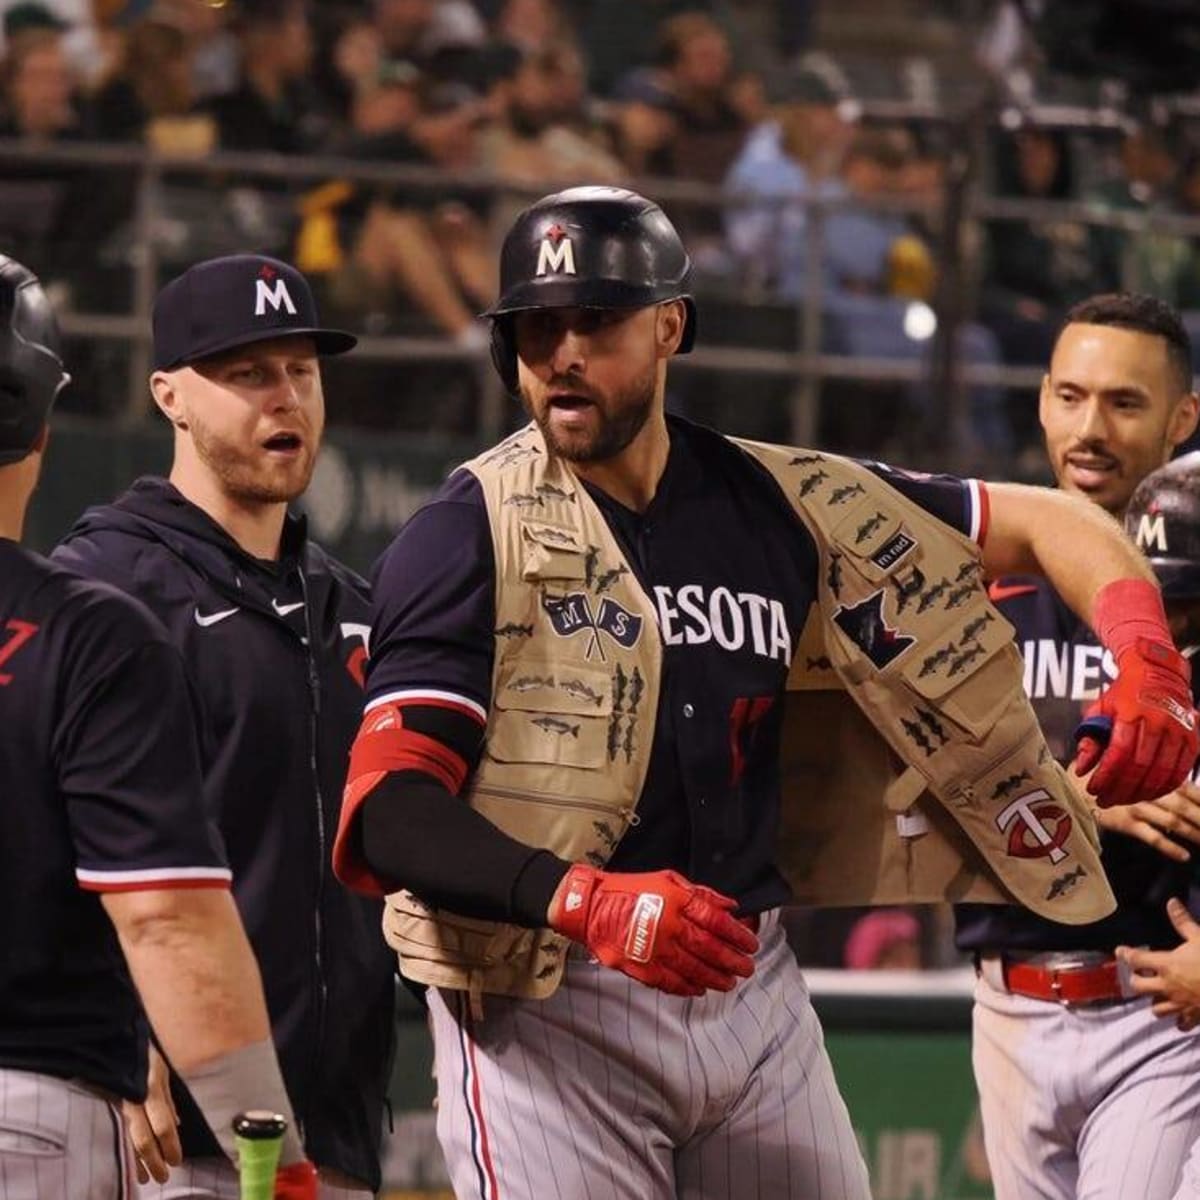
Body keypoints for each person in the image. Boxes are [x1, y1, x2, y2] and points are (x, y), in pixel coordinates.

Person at [331, 187, 1195, 1200]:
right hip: (545, 995)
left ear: (669, 327)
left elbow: (1054, 522)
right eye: (535, 326)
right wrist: (583, 899)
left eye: (595, 321)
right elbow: (385, 812)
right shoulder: (465, 533)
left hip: (748, 981)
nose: (561, 352)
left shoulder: (773, 500)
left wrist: (1148, 660)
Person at [53, 254, 396, 1199]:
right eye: (247, 374)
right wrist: (111, 1027)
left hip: (337, 1137)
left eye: (302, 371)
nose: (284, 398)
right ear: (170, 394)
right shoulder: (104, 587)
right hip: (167, 1134)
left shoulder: (352, 606)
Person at [0, 254, 318, 1199]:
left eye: (299, 368)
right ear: (41, 422)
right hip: (31, 1103)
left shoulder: (338, 600)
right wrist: (279, 1165)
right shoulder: (88, 624)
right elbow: (168, 922)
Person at [956, 293, 1200, 1200]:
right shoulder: (965, 573)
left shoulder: (1192, 583)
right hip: (1005, 1002)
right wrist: (1071, 794)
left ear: (1184, 419)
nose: (1089, 428)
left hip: (1160, 1010)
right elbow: (894, 786)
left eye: (1124, 404)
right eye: (1070, 396)